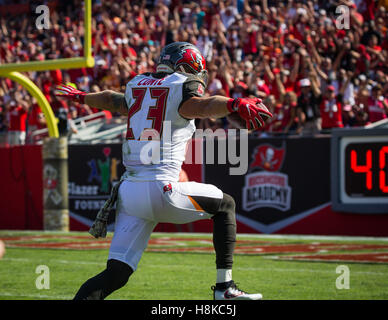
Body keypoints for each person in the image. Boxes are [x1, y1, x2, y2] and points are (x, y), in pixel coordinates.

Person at [55, 42, 272, 300]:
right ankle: (224, 289)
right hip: (161, 190)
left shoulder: (137, 84)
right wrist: (234, 104)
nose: (196, 76)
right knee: (225, 205)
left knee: (115, 274)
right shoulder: (181, 86)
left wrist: (80, 97)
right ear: (183, 67)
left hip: (129, 194)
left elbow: (110, 99)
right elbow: (203, 106)